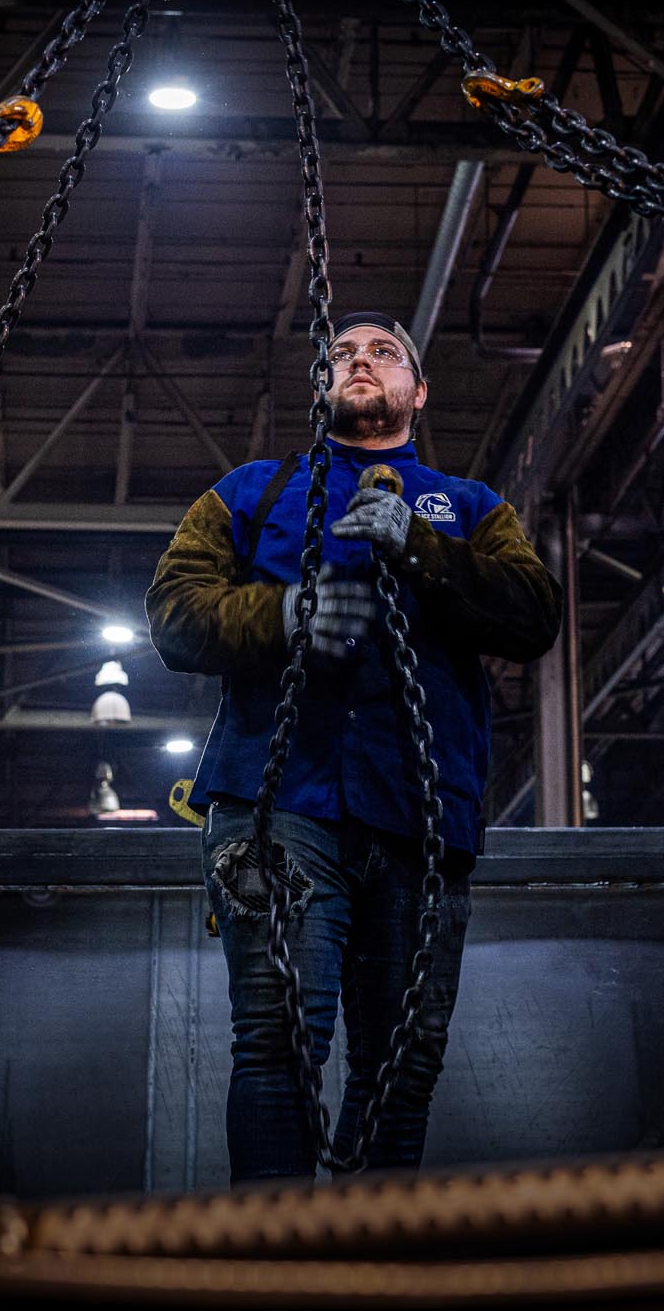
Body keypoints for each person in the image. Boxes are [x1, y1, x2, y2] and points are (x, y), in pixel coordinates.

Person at [145, 309, 562, 1181]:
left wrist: (422, 548)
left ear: (417, 389)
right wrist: (285, 612)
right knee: (277, 1042)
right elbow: (176, 612)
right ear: (318, 385)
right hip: (278, 804)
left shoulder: (474, 511)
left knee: (401, 1066)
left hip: (420, 814)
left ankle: (377, 1263)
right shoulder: (250, 494)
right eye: (341, 353)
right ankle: (278, 1269)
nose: (359, 361)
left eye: (383, 352)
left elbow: (534, 613)